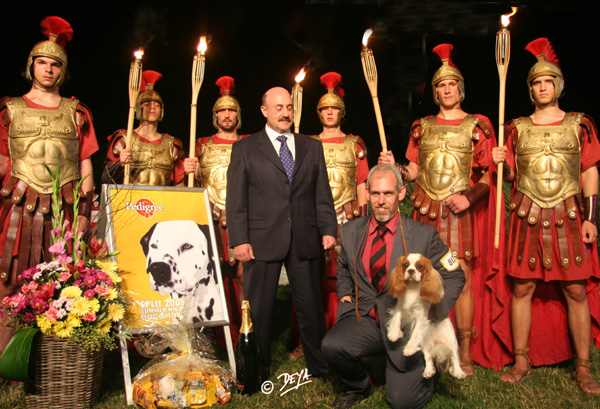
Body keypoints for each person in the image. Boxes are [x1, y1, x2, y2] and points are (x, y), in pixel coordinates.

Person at [379, 43, 510, 373]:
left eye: (452, 84)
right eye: (441, 85)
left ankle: (463, 350)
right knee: (421, 277)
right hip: (425, 214)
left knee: (458, 278)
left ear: (460, 89)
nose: (447, 89)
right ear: (435, 92)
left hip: (458, 217)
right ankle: (420, 338)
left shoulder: (477, 126)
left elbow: (488, 175)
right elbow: (413, 170)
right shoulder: (421, 127)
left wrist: (469, 198)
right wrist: (395, 167)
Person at [492, 38, 600, 393]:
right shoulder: (516, 128)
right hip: (528, 214)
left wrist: (591, 218)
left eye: (548, 82)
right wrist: (502, 164)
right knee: (522, 287)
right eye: (537, 83)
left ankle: (582, 367)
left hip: (569, 214)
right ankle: (521, 361)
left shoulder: (580, 124)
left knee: (576, 290)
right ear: (530, 89)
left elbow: (589, 172)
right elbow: (511, 178)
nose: (542, 87)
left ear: (559, 85)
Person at [321, 164, 465, 409]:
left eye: (388, 193)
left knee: (402, 402)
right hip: (366, 317)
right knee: (332, 346)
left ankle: (424, 369)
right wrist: (345, 294)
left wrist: (434, 311)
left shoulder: (424, 235)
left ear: (401, 193)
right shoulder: (351, 231)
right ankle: (359, 385)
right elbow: (344, 265)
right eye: (376, 193)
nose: (381, 201)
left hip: (407, 324)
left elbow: (455, 274)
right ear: (367, 193)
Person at [0, 16, 98, 354]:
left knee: (61, 282)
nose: (48, 69)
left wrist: (83, 212)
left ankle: (54, 362)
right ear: (31, 65)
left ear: (63, 71)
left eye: (55, 64)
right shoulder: (8, 110)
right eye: (42, 62)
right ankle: (6, 362)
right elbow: (3, 161)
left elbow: (85, 164)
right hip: (17, 206)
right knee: (10, 279)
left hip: (64, 210)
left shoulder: (77, 112)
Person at [226, 86, 337, 379]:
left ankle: (319, 366)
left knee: (310, 307)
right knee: (259, 309)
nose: (286, 113)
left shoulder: (312, 147)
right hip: (260, 240)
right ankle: (256, 370)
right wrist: (239, 240)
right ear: (264, 111)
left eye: (289, 107)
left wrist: (328, 228)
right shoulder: (245, 148)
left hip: (304, 236)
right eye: (279, 108)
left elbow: (322, 193)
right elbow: (235, 200)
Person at [184, 76, 248, 343]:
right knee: (207, 276)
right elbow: (192, 185)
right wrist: (190, 170)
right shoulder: (201, 145)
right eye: (222, 111)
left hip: (243, 218)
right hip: (209, 217)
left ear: (238, 115)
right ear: (215, 116)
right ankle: (209, 336)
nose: (227, 115)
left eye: (232, 110)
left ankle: (246, 331)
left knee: (244, 276)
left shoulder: (249, 143)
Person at [102, 70, 185, 186]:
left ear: (162, 111)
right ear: (138, 109)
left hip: (162, 197)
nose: (152, 108)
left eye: (156, 105)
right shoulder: (124, 139)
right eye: (147, 104)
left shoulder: (172, 144)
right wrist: (119, 164)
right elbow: (105, 179)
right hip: (131, 197)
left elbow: (179, 184)